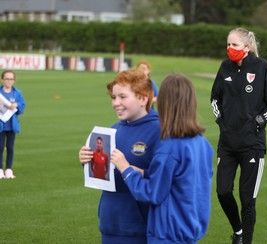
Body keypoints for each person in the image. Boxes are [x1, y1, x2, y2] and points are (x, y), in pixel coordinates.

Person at [112, 73, 214, 243]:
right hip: (191, 230)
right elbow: (181, 180)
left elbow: (152, 193)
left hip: (168, 234)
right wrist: (144, 173)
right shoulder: (202, 143)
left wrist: (126, 169)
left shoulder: (169, 147)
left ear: (165, 103)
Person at [210, 28, 267, 244]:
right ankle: (238, 231)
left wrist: (260, 121)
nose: (229, 49)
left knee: (247, 199)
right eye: (228, 44)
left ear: (247, 47)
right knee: (223, 192)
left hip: (252, 145)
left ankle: (246, 241)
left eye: (234, 45)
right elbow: (215, 98)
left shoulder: (261, 68)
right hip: (227, 144)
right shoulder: (225, 67)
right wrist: (221, 121)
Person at [78, 68, 161, 243]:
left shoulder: (160, 130)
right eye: (114, 98)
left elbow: (163, 181)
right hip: (110, 224)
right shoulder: (112, 130)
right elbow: (105, 174)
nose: (116, 103)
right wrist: (87, 160)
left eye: (123, 97)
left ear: (143, 98)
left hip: (142, 228)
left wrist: (133, 170)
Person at [0, 70, 26, 179]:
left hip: (12, 125)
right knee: (0, 147)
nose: (9, 81)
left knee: (10, 148)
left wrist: (16, 105)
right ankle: (0, 169)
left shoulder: (17, 93)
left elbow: (22, 107)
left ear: (14, 80)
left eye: (11, 79)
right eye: (7, 79)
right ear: (2, 79)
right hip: (1, 125)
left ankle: (9, 169)